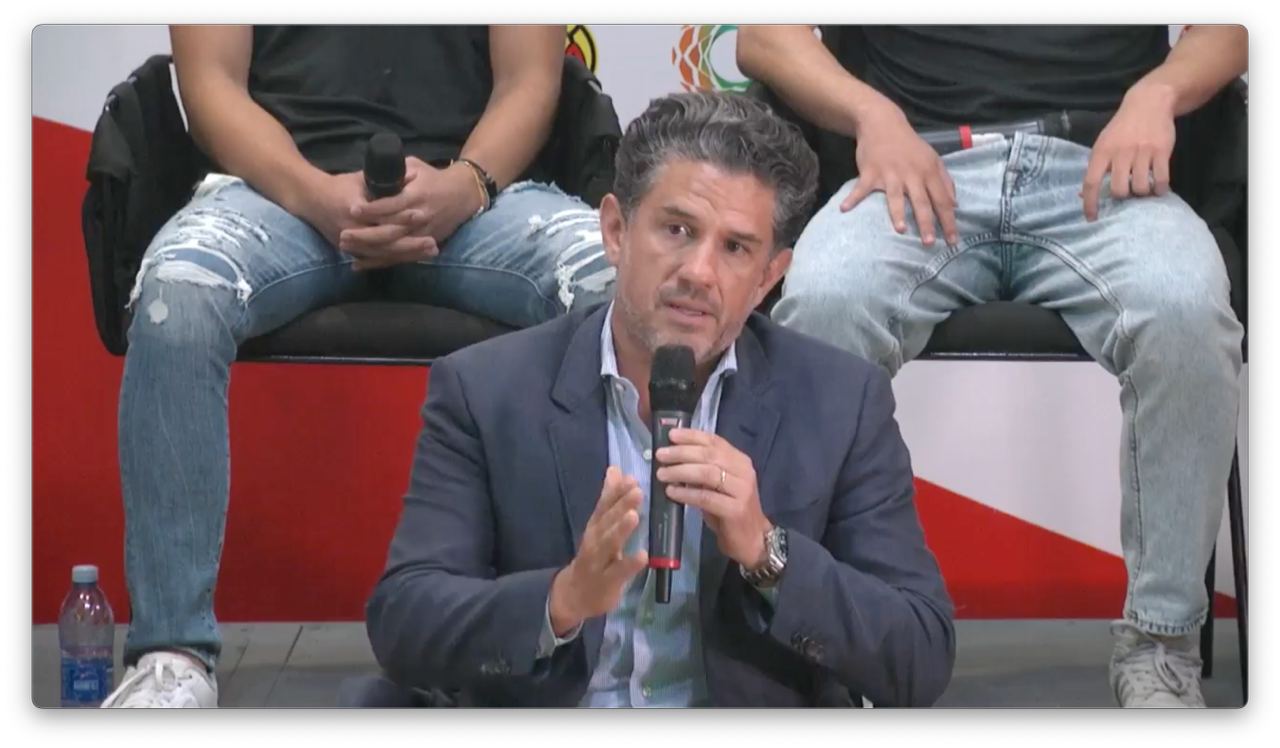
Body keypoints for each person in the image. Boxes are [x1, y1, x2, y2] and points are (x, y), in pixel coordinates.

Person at [364, 91, 955, 707]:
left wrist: (767, 554)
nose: (699, 272)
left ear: (768, 277)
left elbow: (918, 655)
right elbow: (406, 622)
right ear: (616, 231)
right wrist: (560, 600)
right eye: (677, 230)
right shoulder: (487, 389)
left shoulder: (841, 400)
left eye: (735, 248)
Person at [103, 25, 616, 708]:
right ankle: (171, 654)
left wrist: (465, 185)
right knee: (178, 297)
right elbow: (209, 85)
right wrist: (315, 194)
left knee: (617, 284)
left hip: (479, 198)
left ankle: (618, 639)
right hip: (276, 193)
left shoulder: (473, 186)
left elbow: (531, 80)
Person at [737, 25, 1246, 708]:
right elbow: (762, 36)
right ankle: (829, 640)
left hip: (1101, 164)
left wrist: (1158, 93)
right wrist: (871, 114)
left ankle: (1161, 647)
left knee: (1187, 314)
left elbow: (1234, 27)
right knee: (825, 304)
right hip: (914, 162)